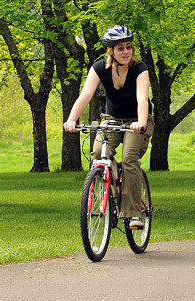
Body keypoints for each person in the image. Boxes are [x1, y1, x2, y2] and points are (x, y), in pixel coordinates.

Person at [63, 25, 153, 229]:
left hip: (136, 120)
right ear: (110, 50)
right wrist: (72, 119)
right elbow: (86, 95)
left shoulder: (140, 68)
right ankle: (112, 196)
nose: (126, 52)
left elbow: (142, 99)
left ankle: (132, 213)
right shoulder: (99, 68)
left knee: (129, 157)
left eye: (129, 47)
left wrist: (141, 122)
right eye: (120, 48)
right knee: (97, 154)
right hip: (111, 119)